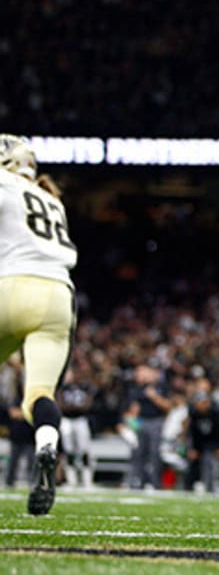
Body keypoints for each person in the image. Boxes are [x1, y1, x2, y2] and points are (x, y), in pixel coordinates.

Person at [0, 134, 77, 515]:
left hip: (11, 287)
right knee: (39, 395)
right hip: (59, 297)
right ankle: (47, 444)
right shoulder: (52, 199)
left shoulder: (5, 184)